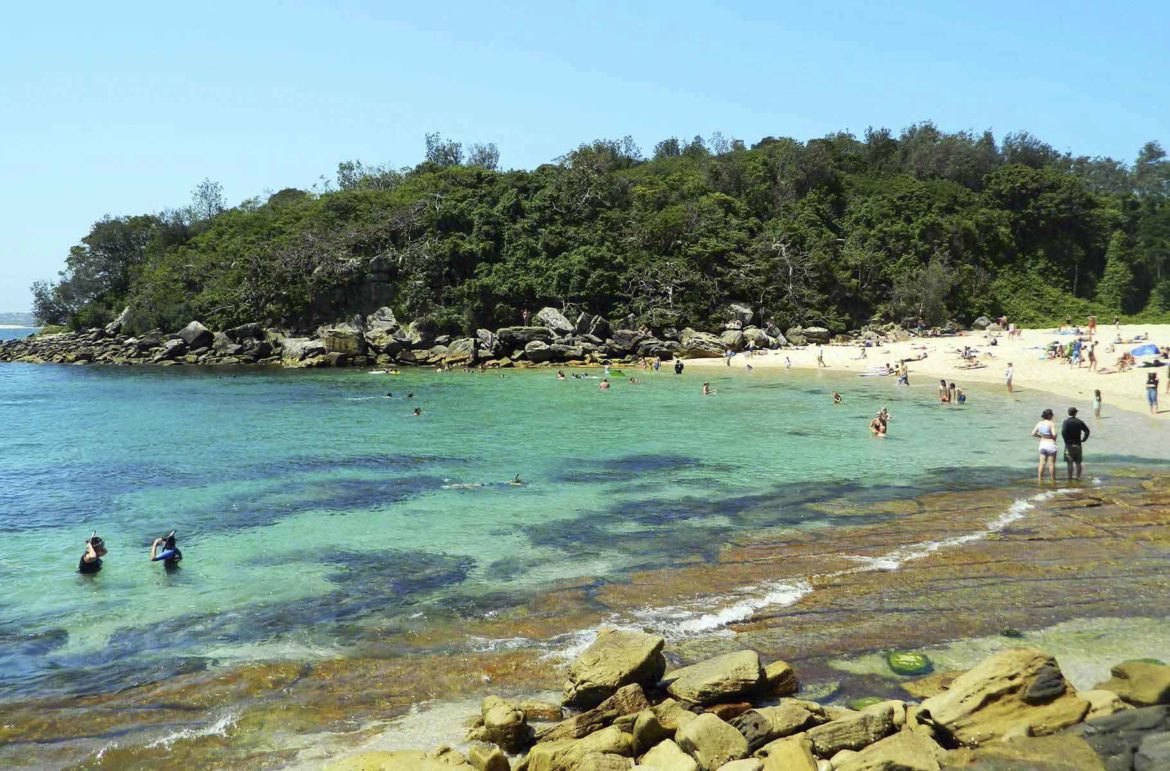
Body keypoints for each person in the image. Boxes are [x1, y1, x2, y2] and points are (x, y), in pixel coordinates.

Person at [1061, 407, 1091, 481]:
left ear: (1068, 413)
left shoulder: (1066, 422)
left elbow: (1063, 432)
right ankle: (1078, 477)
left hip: (1068, 445)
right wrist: (1084, 439)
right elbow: (1087, 431)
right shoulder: (1079, 421)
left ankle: (1070, 479)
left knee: (1069, 463)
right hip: (1078, 444)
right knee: (1078, 462)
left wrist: (1066, 440)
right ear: (1075, 413)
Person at [1031, 409, 1059, 483]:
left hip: (1042, 444)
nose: (1052, 416)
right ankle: (1053, 480)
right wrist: (1054, 438)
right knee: (1051, 463)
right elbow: (1054, 434)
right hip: (1050, 444)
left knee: (1042, 463)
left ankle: (1040, 480)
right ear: (1049, 415)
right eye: (1052, 414)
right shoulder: (1051, 423)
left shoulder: (1040, 423)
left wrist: (1040, 436)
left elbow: (1033, 433)